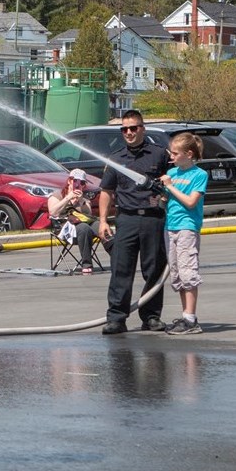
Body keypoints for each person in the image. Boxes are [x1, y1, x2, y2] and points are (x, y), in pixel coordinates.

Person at [97, 110, 171, 334]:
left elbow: (174, 181)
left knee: (154, 269)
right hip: (126, 218)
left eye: (133, 128)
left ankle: (151, 317)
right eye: (124, 129)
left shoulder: (159, 155)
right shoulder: (117, 158)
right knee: (121, 269)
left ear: (142, 129)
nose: (128, 133)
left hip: (152, 218)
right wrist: (103, 221)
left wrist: (165, 196)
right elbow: (106, 191)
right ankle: (117, 318)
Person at [159, 132, 208, 335]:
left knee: (188, 272)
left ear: (189, 154)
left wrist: (170, 186)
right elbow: (166, 200)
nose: (172, 156)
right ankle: (185, 314)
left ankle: (191, 319)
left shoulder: (199, 175)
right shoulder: (173, 173)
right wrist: (161, 194)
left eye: (175, 153)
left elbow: (190, 202)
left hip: (187, 226)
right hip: (170, 226)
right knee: (177, 273)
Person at [47, 168, 98, 274]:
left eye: (82, 183)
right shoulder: (58, 195)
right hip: (64, 228)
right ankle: (86, 264)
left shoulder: (84, 198)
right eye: (75, 181)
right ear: (69, 181)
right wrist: (68, 198)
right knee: (84, 228)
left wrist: (80, 201)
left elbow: (88, 215)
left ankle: (119, 259)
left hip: (84, 225)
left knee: (101, 226)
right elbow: (53, 212)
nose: (78, 184)